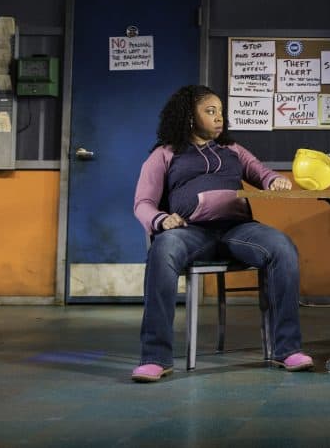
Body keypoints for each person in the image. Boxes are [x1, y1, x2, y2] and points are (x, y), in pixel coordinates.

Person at [131, 85, 313, 382]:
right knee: (162, 250)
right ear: (190, 117)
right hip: (190, 233)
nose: (219, 118)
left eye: (221, 112)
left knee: (282, 247)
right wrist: (161, 220)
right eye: (210, 111)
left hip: (237, 230)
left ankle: (287, 350)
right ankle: (155, 357)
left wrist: (275, 181)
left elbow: (261, 173)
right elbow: (143, 204)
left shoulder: (233, 150)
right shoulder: (164, 154)